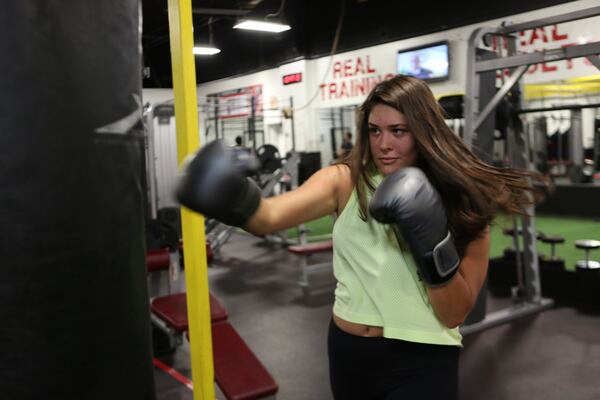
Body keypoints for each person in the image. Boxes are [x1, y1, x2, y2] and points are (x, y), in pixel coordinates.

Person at [175, 75, 539, 399]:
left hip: (421, 358)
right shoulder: (345, 180)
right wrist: (233, 197)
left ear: (425, 131)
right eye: (374, 130)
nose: (383, 144)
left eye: (398, 131)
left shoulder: (462, 200)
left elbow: (454, 314)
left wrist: (430, 241)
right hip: (349, 352)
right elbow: (267, 218)